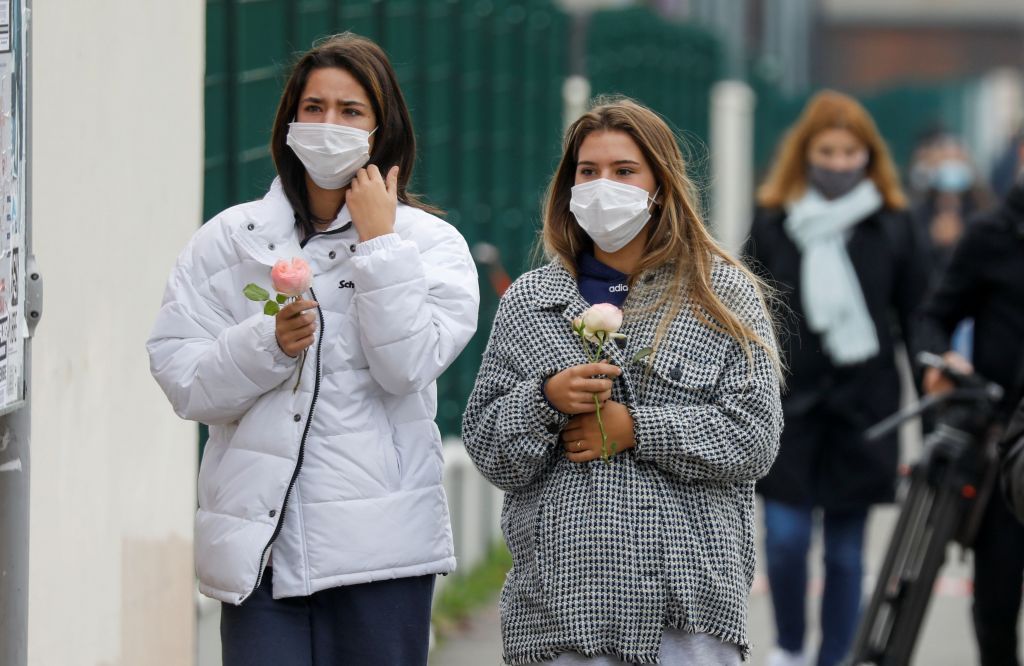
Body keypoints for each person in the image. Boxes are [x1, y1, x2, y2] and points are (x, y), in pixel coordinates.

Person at [146, 33, 479, 666]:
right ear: (290, 121)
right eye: (314, 107)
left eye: (351, 111)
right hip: (262, 549)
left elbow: (407, 366)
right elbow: (180, 373)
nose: (329, 125)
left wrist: (381, 246)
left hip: (380, 555)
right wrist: (265, 344)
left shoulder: (431, 246)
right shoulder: (231, 239)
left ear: (383, 129)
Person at [462, 97, 783, 665]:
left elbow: (754, 437)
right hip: (559, 618)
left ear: (660, 185)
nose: (603, 186)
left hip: (686, 616)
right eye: (588, 172)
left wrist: (637, 428)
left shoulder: (720, 297)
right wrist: (545, 400)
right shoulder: (532, 302)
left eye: (624, 171)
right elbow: (489, 449)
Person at [744, 90, 930, 666]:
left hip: (864, 410)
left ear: (869, 156)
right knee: (786, 540)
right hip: (788, 407)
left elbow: (918, 316)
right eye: (828, 150)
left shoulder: (894, 225)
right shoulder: (774, 221)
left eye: (851, 152)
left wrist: (932, 402)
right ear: (806, 153)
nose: (840, 162)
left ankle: (837, 658)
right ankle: (792, 648)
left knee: (847, 554)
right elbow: (748, 308)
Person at [918, 141, 1024, 666]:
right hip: (1002, 447)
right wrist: (940, 364)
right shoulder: (989, 235)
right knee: (997, 602)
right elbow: (934, 315)